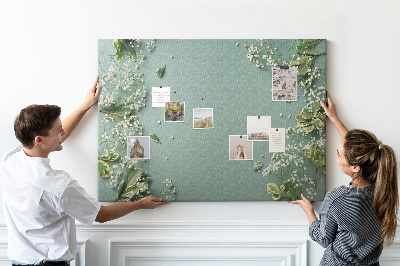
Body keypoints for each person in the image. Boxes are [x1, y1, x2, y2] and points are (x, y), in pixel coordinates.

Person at [0, 77, 167, 266]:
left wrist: (85, 106)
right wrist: (139, 204)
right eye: (58, 130)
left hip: (18, 261)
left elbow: (57, 137)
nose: (62, 134)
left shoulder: (9, 160)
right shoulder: (58, 186)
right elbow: (101, 215)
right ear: (39, 140)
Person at [290, 92, 398, 266]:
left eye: (339, 154)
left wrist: (309, 211)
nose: (335, 155)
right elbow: (357, 152)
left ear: (356, 167)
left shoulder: (337, 198)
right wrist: (334, 118)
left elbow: (324, 238)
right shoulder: (383, 186)